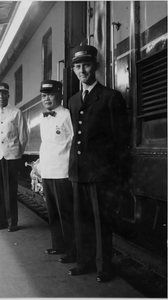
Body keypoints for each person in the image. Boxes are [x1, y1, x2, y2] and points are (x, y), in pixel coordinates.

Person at [68, 44, 129, 282]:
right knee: (81, 220)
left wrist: (120, 174)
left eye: (86, 65)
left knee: (101, 221)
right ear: (73, 70)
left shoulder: (111, 97)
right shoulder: (73, 101)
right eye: (77, 66)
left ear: (95, 66)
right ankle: (84, 262)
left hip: (101, 173)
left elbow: (120, 139)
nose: (82, 70)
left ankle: (104, 267)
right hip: (78, 171)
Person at [39, 80, 76, 263]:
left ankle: (72, 250)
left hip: (62, 172)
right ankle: (58, 245)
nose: (46, 99)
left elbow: (73, 143)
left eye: (50, 94)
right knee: (52, 212)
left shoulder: (67, 116)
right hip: (47, 171)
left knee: (66, 214)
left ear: (59, 95)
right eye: (43, 95)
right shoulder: (43, 118)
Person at [0, 82, 29, 232]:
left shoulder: (16, 112)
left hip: (11, 156)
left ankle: (12, 222)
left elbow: (23, 136)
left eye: (4, 93)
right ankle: (1, 221)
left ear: (8, 95)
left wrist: (17, 153)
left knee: (11, 189)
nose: (1, 96)